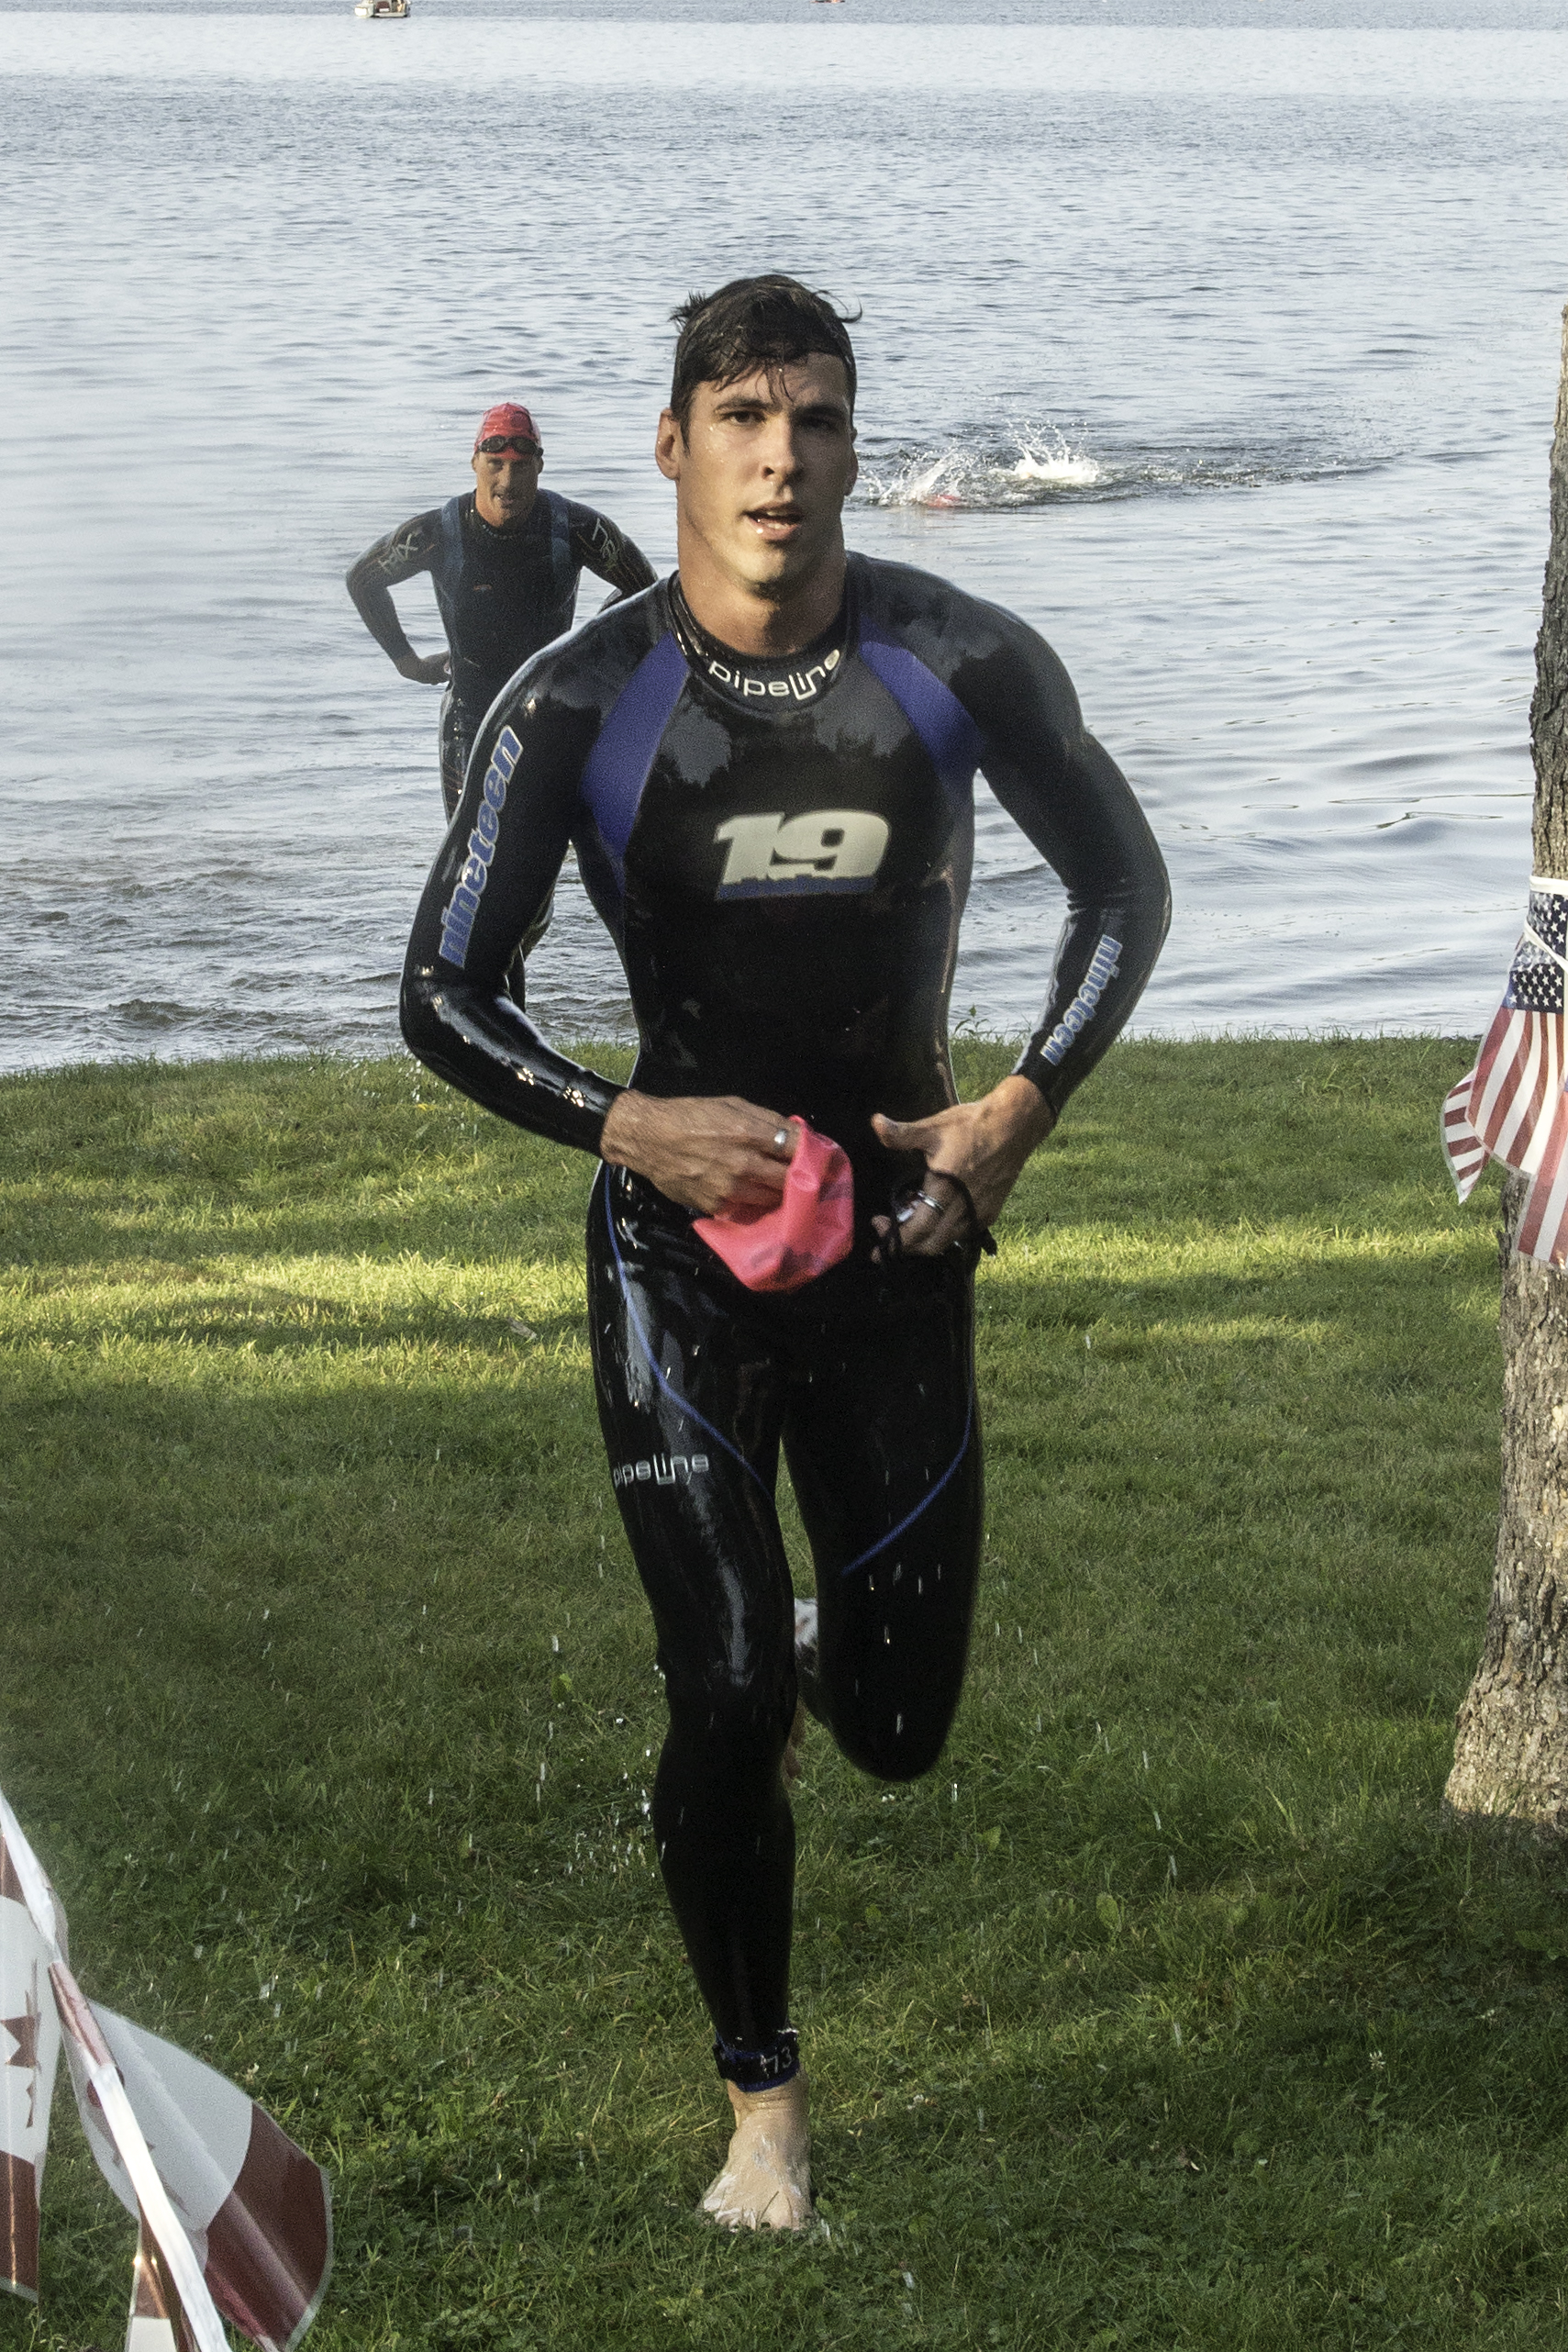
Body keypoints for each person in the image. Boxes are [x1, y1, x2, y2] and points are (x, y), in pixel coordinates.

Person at [399, 277, 1170, 2231]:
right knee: (729, 1686)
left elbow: (1119, 887)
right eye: (739, 419)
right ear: (669, 447)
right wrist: (624, 1123)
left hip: (898, 1242)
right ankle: (762, 2107)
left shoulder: (954, 656)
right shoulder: (572, 701)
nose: (778, 458)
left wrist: (1017, 1110)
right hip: (678, 1257)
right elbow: (441, 990)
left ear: (846, 445)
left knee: (893, 1730)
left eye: (814, 419)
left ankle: (801, 1666)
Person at [347, 404, 656, 997]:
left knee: (532, 900)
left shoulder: (575, 529)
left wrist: (590, 650)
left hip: (551, 722)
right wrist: (405, 660)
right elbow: (364, 579)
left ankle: (505, 983)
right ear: (475, 464)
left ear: (540, 466)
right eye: (495, 465)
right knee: (485, 883)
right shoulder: (439, 532)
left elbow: (646, 592)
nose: (507, 481)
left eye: (520, 466)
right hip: (471, 721)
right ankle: (499, 1020)